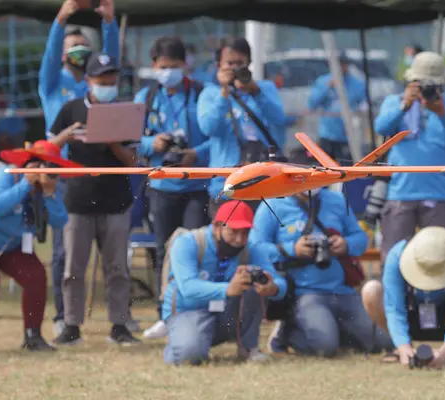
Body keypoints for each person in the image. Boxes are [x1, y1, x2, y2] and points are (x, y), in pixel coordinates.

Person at [250, 151, 393, 357]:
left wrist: (345, 244)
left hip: (342, 290)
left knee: (383, 342)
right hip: (304, 292)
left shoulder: (335, 199)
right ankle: (286, 333)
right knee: (324, 347)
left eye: (317, 174)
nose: (312, 180)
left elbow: (360, 239)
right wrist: (291, 249)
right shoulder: (273, 203)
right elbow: (256, 247)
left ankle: (337, 331)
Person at [48, 53, 141, 347]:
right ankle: (71, 324)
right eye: (102, 80)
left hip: (115, 201)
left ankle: (120, 325)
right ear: (88, 80)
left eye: (112, 81)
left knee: (117, 268)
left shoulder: (125, 114)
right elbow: (47, 148)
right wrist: (68, 136)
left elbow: (132, 161)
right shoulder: (70, 109)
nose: (108, 86)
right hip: (77, 199)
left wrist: (112, 139)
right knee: (73, 267)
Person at [38, 0, 119, 336]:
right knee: (63, 253)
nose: (80, 51)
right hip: (64, 175)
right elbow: (51, 52)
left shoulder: (94, 87)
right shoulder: (52, 85)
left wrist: (109, 25)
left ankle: (118, 318)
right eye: (73, 47)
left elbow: (110, 62)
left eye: (84, 45)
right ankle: (63, 317)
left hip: (98, 172)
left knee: (108, 252)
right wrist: (62, 19)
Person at [0, 140, 75, 353]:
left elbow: (59, 221)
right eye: (41, 164)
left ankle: (32, 336)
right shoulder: (4, 174)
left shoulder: (46, 186)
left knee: (36, 276)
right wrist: (25, 184)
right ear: (28, 163)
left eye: (52, 167)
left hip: (11, 244)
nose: (46, 170)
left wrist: (48, 193)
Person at [133, 36, 212, 340]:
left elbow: (215, 137)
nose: (168, 72)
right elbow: (131, 139)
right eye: (163, 67)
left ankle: (194, 312)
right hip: (161, 185)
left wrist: (196, 153)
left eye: (174, 67)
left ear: (185, 65)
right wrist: (152, 143)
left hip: (195, 185)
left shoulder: (201, 93)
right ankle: (164, 314)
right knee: (163, 252)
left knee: (193, 248)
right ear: (154, 66)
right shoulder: (146, 95)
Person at [373, 51, 445, 265]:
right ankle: (396, 299)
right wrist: (403, 106)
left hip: (438, 194)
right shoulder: (394, 101)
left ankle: (435, 298)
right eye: (420, 84)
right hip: (400, 193)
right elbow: (381, 127)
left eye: (431, 85)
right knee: (393, 260)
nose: (426, 89)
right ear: (410, 82)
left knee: (440, 260)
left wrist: (442, 112)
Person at [163, 200, 286, 365]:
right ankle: (180, 340)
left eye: (245, 233)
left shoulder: (251, 248)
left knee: (252, 284)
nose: (239, 239)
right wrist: (228, 289)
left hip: (226, 314)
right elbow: (187, 287)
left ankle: (249, 348)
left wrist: (273, 288)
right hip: (189, 310)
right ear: (216, 226)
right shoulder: (187, 243)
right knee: (189, 357)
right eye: (234, 231)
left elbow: (279, 282)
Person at [361, 227, 445, 368]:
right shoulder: (396, 256)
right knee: (371, 290)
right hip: (411, 313)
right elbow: (394, 308)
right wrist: (403, 346)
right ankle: (401, 349)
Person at [196, 37, 286, 218]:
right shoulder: (210, 93)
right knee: (229, 239)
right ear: (218, 65)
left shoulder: (264, 88)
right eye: (230, 63)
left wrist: (255, 91)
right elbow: (208, 128)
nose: (235, 69)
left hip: (263, 182)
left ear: (249, 64)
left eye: (240, 63)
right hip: (226, 184)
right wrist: (224, 94)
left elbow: (279, 119)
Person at [306, 52, 367, 164]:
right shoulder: (323, 81)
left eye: (343, 64)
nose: (341, 67)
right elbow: (312, 104)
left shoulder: (356, 83)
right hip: (327, 134)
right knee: (323, 168)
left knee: (346, 168)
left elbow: (364, 104)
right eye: (338, 64)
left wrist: (359, 113)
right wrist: (327, 88)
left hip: (347, 135)